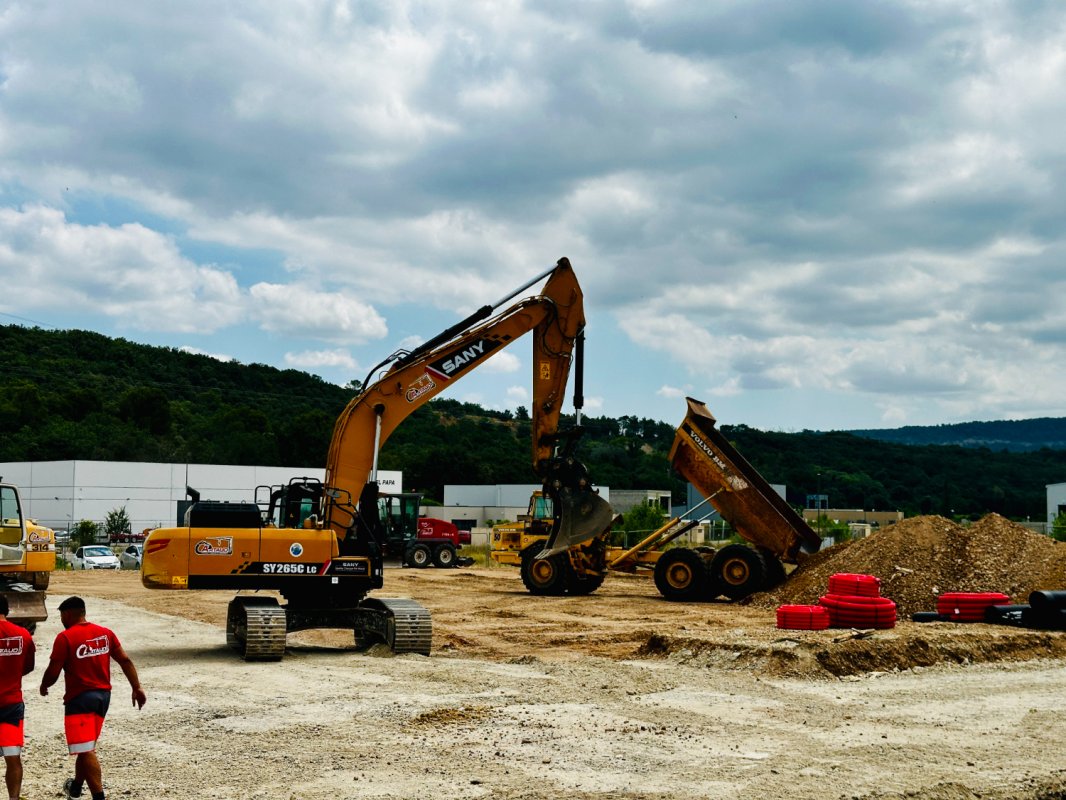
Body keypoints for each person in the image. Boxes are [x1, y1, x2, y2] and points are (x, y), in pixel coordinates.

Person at [39, 596, 146, 800]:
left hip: (80, 699)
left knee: (86, 750)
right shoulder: (105, 633)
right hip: (103, 697)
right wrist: (136, 687)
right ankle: (76, 787)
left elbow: (53, 670)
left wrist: (45, 685)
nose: (61, 620)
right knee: (86, 746)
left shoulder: (65, 637)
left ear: (67, 614)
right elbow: (124, 660)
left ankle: (99, 796)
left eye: (61, 616)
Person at [0, 596, 35, 800]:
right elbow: (28, 666)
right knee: (13, 758)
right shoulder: (23, 635)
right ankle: (13, 798)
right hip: (12, 705)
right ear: (7, 610)